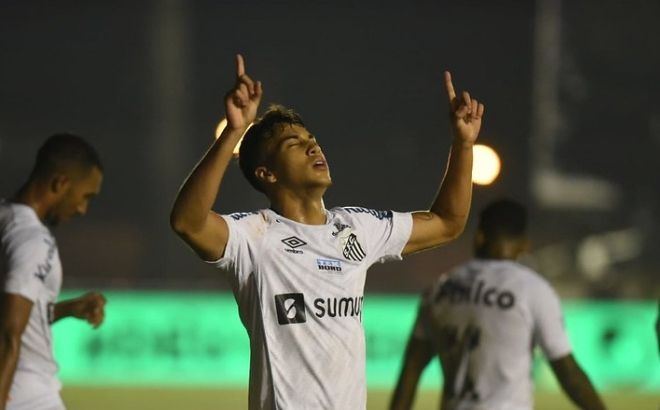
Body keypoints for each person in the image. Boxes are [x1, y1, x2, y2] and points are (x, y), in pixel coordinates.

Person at [170, 54, 484, 409]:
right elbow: (188, 222)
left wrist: (463, 145)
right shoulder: (254, 237)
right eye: (294, 144)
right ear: (266, 174)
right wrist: (234, 131)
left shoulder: (357, 228)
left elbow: (448, 223)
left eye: (312, 139)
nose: (312, 146)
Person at [389, 199, 606, 410]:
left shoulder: (440, 289)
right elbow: (568, 373)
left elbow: (411, 369)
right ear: (524, 243)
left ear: (479, 237)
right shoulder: (532, 289)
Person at [0, 134, 107, 410]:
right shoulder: (33, 241)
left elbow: (15, 313)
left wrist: (66, 309)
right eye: (85, 197)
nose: (82, 209)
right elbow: (8, 336)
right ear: (60, 183)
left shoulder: (6, 222)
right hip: (28, 395)